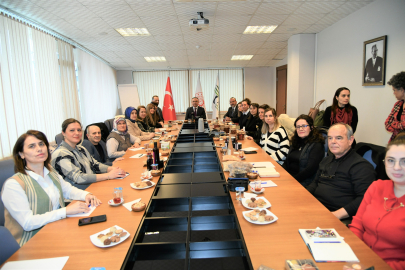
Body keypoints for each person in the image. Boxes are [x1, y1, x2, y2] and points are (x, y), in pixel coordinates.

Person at [1, 130, 101, 247]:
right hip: (32, 243)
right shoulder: (14, 185)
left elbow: (68, 190)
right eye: (32, 146)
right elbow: (28, 222)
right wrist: (65, 211)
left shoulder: (51, 172)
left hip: (57, 231)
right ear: (21, 154)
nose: (39, 149)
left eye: (41, 144)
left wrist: (87, 195)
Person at [349, 137, 405, 270]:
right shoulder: (377, 186)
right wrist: (354, 256)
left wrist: (372, 266)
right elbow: (357, 225)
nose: (396, 167)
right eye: (391, 160)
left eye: (404, 161)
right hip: (359, 260)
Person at [306, 123, 376, 221]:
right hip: (316, 208)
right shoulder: (326, 160)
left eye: (338, 138)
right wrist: (303, 198)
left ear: (350, 140)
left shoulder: (361, 166)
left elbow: (364, 199)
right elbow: (315, 183)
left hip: (339, 217)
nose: (333, 142)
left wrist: (336, 215)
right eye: (330, 138)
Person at [51, 118, 125, 190]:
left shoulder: (81, 149)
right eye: (72, 130)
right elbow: (78, 177)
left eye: (79, 130)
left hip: (93, 186)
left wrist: (111, 169)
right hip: (77, 196)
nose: (76, 133)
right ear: (63, 133)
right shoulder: (60, 154)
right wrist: (108, 175)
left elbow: (95, 165)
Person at [282, 115, 325, 187]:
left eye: (304, 126)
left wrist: (291, 180)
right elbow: (287, 162)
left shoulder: (317, 145)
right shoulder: (296, 141)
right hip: (289, 179)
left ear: (311, 127)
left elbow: (310, 170)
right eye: (298, 126)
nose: (300, 129)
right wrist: (282, 175)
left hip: (304, 182)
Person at [385, 71, 405, 142]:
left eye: (395, 90)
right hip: (395, 142)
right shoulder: (397, 104)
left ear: (402, 90)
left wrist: (395, 125)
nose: (394, 93)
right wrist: (400, 126)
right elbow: (387, 124)